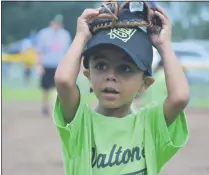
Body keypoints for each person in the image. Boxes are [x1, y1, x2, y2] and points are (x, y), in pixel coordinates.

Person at [54, 7, 189, 175]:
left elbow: (179, 98)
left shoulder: (149, 125)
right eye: (101, 66)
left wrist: (164, 45)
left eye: (125, 68)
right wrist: (81, 36)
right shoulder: (80, 123)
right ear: (88, 75)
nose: (110, 76)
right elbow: (64, 81)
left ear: (145, 84)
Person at [36, 14, 71, 116]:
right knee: (45, 88)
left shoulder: (65, 35)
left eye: (58, 23)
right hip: (47, 64)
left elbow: (67, 51)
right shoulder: (44, 33)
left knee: (60, 88)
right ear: (51, 23)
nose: (56, 25)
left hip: (59, 65)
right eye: (55, 23)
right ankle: (45, 107)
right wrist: (39, 64)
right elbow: (39, 50)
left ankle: (58, 107)